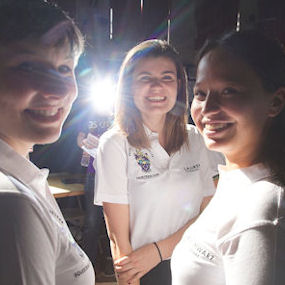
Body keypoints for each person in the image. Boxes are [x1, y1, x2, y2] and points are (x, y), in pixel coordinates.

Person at [94, 39, 224, 285]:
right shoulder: (114, 144)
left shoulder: (196, 138)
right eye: (145, 78)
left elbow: (211, 214)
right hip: (144, 269)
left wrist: (160, 250)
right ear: (128, 87)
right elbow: (118, 240)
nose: (156, 87)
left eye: (166, 77)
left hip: (199, 261)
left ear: (178, 85)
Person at [171, 29, 285, 285]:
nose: (208, 109)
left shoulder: (266, 204)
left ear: (275, 103)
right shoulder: (235, 181)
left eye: (229, 91)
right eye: (200, 93)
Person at [0, 0, 95, 284]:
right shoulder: (13, 204)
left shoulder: (25, 177)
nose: (57, 90)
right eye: (27, 66)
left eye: (65, 68)